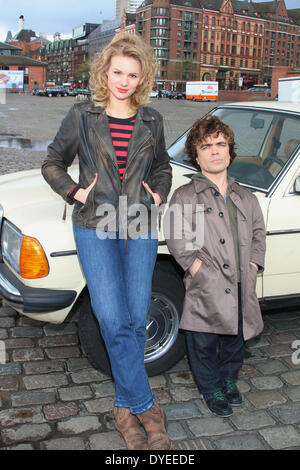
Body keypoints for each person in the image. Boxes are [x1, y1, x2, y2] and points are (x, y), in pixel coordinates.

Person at [42, 32, 172, 450]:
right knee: (112, 320)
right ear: (105, 71)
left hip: (139, 226)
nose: (124, 81)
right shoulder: (82, 115)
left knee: (135, 320)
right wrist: (75, 191)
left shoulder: (152, 119)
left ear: (141, 78)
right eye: (118, 71)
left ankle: (122, 406)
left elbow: (163, 165)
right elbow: (52, 161)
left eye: (132, 74)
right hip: (94, 226)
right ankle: (148, 408)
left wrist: (158, 190)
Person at [165, 115, 266, 417]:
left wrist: (253, 264)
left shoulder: (245, 196)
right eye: (206, 146)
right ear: (196, 156)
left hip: (240, 281)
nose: (215, 151)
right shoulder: (185, 197)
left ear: (230, 151)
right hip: (207, 284)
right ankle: (210, 387)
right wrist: (196, 269)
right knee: (203, 341)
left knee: (236, 337)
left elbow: (259, 232)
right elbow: (177, 237)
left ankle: (229, 380)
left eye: (220, 144)